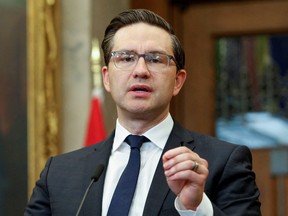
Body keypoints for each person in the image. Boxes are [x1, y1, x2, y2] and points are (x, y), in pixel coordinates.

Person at [24, 9, 261, 216]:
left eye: (155, 59)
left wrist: (197, 207)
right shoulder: (59, 174)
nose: (140, 70)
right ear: (107, 78)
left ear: (178, 81)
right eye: (126, 58)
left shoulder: (222, 162)